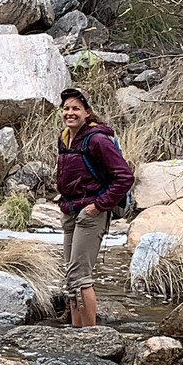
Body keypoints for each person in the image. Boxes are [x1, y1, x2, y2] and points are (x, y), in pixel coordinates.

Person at [55, 86, 134, 328]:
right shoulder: (65, 138)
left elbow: (125, 177)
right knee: (71, 277)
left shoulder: (97, 139)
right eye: (66, 108)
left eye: (76, 108)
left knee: (80, 276)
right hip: (70, 210)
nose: (70, 112)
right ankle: (77, 331)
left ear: (87, 112)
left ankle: (91, 337)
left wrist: (98, 205)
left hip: (90, 213)